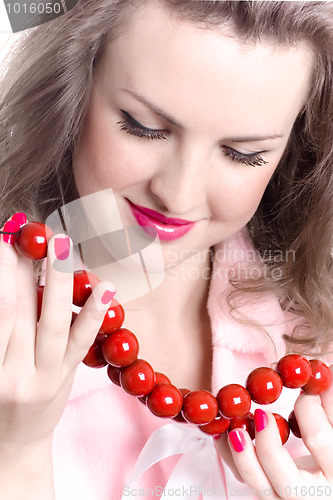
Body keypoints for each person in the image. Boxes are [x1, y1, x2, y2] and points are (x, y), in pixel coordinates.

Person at [0, 0, 332, 498]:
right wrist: (16, 456)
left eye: (243, 154)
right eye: (143, 126)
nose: (178, 193)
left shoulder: (315, 334)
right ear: (71, 91)